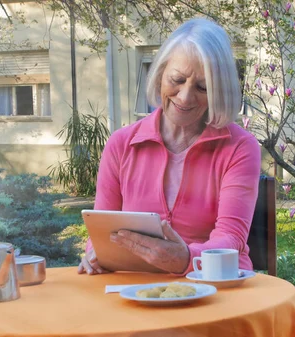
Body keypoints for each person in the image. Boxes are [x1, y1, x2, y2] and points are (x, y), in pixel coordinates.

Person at [78, 17, 261, 275]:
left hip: (217, 285)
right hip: (135, 287)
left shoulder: (240, 147)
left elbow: (231, 239)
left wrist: (186, 259)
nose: (185, 97)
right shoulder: (121, 144)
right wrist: (95, 254)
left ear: (219, 92)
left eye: (202, 87)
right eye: (177, 79)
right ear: (160, 72)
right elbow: (101, 230)